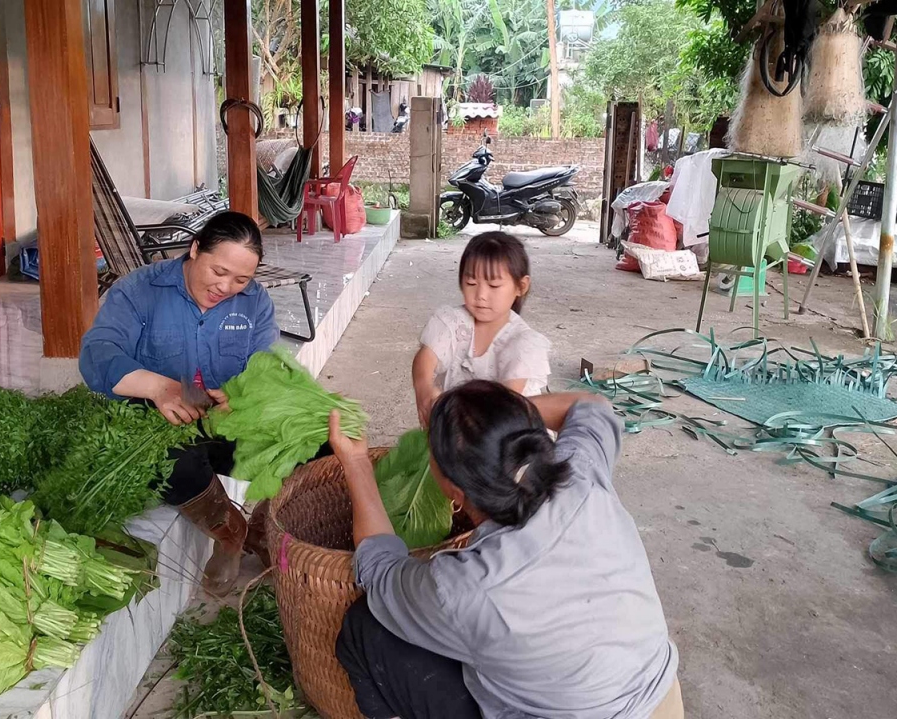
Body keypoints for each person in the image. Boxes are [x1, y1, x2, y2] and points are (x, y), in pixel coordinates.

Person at [330, 381, 683, 719]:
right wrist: (498, 422)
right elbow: (592, 405)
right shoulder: (582, 475)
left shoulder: (464, 586)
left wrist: (356, 462)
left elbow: (378, 569)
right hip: (661, 701)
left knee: (366, 625)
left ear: (454, 492)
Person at [79, 211, 277, 596]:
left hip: (225, 419)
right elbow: (97, 353)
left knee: (315, 441)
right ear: (194, 249)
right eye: (218, 272)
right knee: (169, 461)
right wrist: (158, 387)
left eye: (241, 279)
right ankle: (229, 531)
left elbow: (268, 367)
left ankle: (268, 526)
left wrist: (243, 395)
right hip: (163, 422)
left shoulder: (254, 302)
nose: (226, 287)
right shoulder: (139, 291)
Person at [412, 231, 550, 428]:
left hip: (504, 435)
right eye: (471, 283)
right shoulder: (453, 321)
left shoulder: (523, 343)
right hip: (457, 431)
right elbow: (425, 357)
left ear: (521, 286)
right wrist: (424, 389)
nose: (481, 295)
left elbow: (506, 405)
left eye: (494, 285)